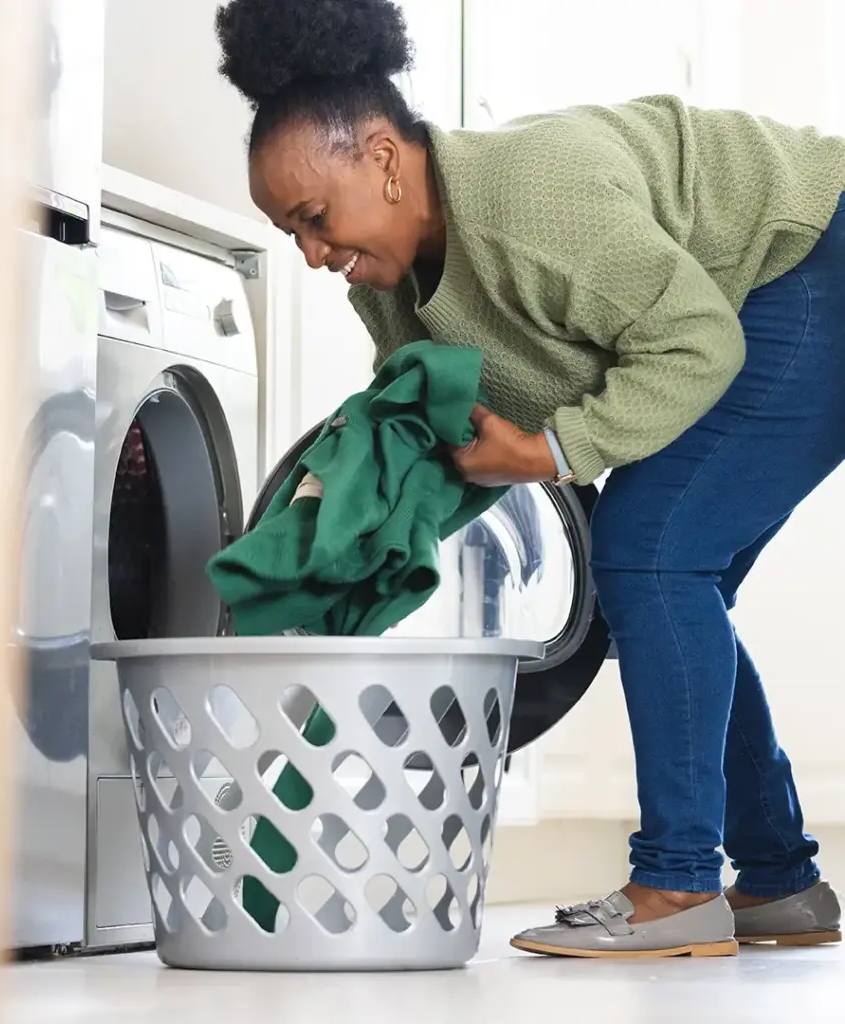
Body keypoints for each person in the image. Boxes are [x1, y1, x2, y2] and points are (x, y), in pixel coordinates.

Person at [216, 0, 844, 957]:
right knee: (669, 585)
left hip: (809, 257)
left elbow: (696, 340)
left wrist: (551, 453)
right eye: (287, 231)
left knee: (649, 562)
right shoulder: (383, 284)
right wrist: (340, 537)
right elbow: (421, 420)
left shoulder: (527, 206)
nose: (309, 253)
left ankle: (679, 887)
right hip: (756, 292)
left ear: (384, 159)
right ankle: (779, 882)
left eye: (312, 218)